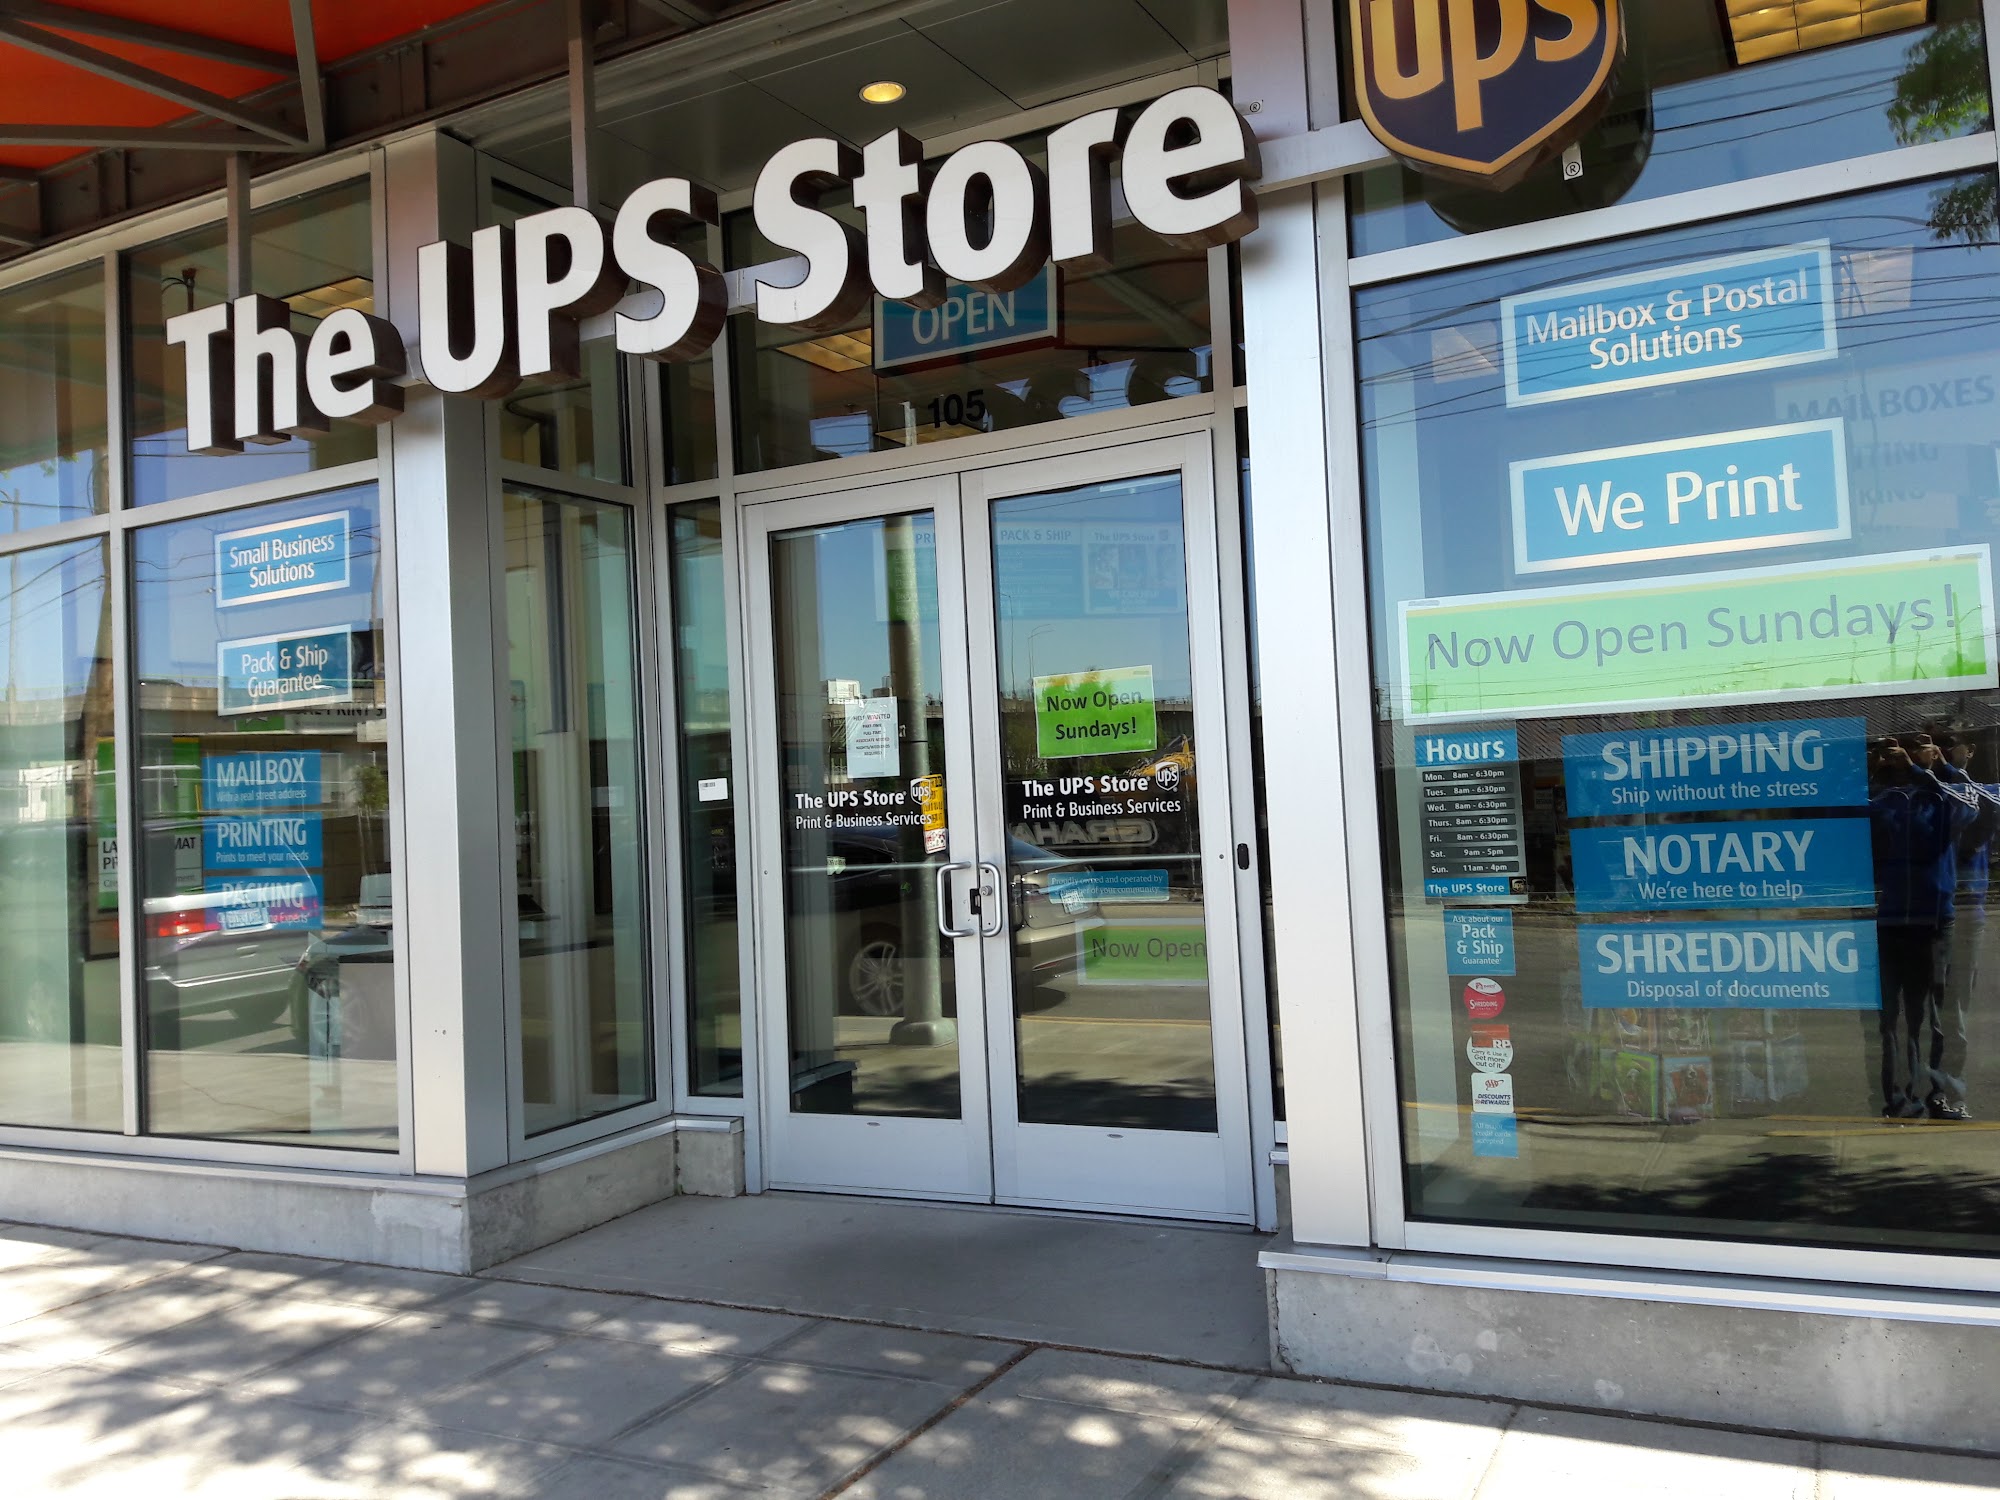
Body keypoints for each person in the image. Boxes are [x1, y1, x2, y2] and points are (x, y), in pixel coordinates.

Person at [1868, 735, 1998, 1120]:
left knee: (1933, 1018)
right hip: (1891, 919)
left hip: (1934, 920)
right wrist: (1874, 772)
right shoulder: (1885, 800)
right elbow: (1841, 814)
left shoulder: (1943, 798)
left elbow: (1977, 807)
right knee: (1892, 1020)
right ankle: (1900, 1099)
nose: (1904, 756)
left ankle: (1938, 1095)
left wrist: (1931, 770)